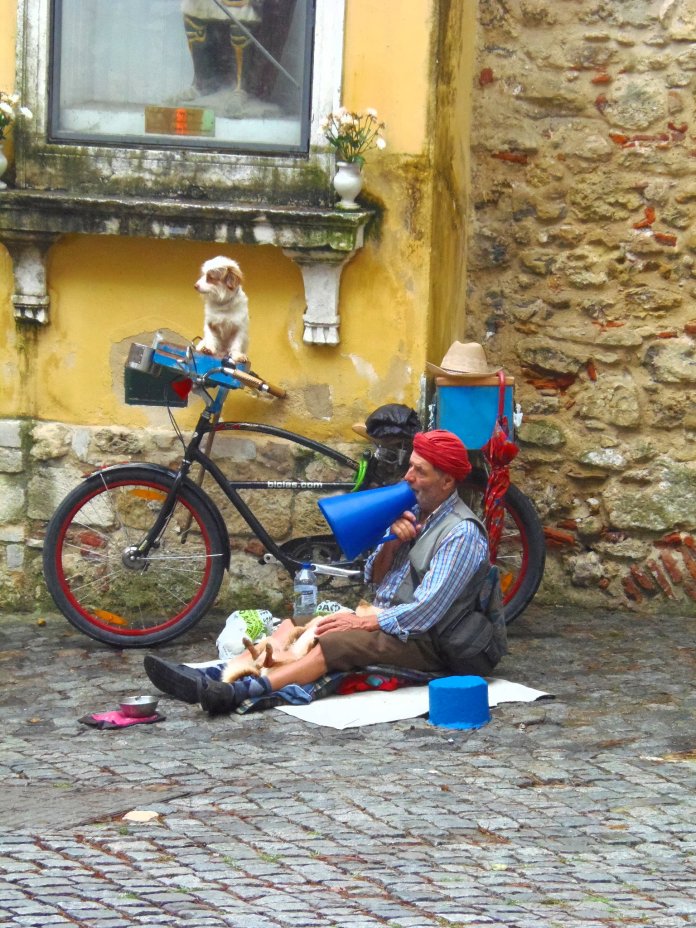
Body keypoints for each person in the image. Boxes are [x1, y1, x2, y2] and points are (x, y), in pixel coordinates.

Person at [144, 429, 507, 714]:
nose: (408, 477)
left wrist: (362, 623)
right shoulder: (414, 515)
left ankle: (242, 690)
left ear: (447, 482)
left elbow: (424, 613)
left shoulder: (461, 533)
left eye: (419, 471)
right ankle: (213, 675)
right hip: (387, 618)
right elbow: (375, 579)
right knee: (295, 624)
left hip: (427, 640)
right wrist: (392, 543)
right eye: (409, 466)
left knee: (334, 642)